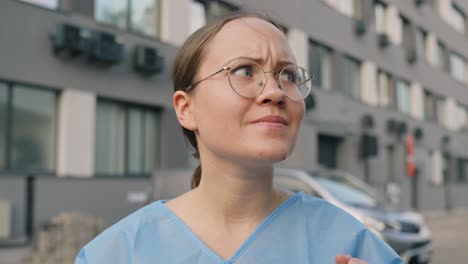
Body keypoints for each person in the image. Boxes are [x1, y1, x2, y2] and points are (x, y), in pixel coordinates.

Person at [75, 11, 402, 264]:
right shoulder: (119, 252)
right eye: (245, 71)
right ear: (186, 109)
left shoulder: (349, 241)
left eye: (287, 75)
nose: (275, 92)